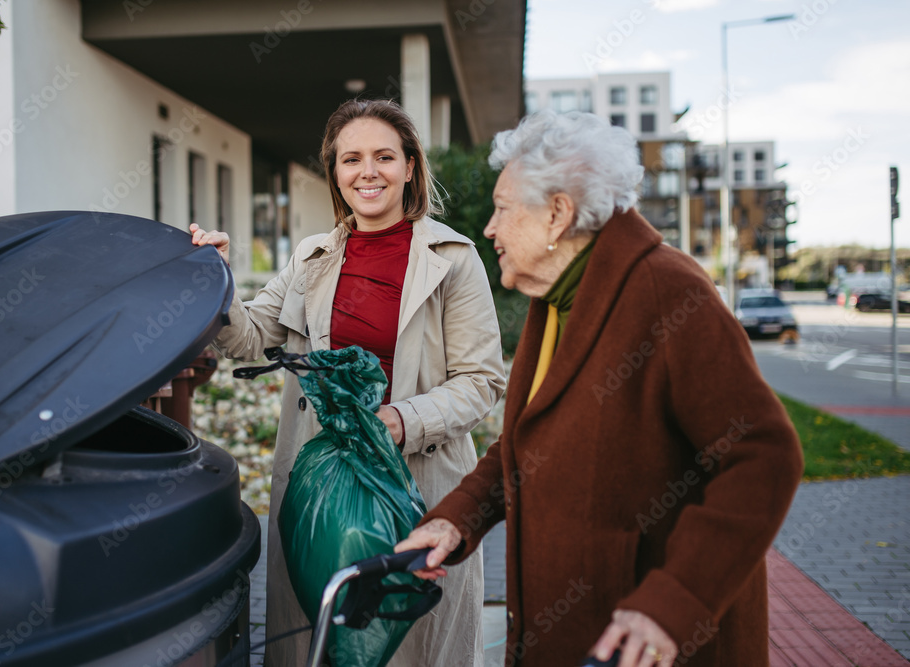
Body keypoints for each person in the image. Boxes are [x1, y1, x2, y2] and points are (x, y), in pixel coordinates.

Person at [395, 110, 804, 667]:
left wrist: (673, 602)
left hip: (649, 646)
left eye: (503, 209)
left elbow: (763, 457)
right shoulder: (558, 297)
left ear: (557, 215)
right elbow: (526, 444)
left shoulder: (666, 290)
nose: (489, 228)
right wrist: (456, 518)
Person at [191, 99, 506, 667]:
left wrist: (399, 421)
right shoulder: (313, 257)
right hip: (323, 483)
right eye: (351, 159)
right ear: (334, 172)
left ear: (410, 166)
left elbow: (481, 381)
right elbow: (251, 337)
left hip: (416, 483)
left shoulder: (452, 259)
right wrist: (215, 277)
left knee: (399, 636)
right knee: (325, 630)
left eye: (384, 157)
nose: (368, 172)